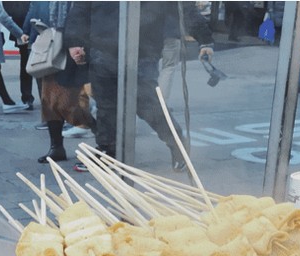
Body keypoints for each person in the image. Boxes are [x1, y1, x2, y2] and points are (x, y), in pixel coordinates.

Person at [64, 1, 214, 172]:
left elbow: (183, 6)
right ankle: (109, 151)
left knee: (148, 106)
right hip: (103, 50)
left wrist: (205, 40)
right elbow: (82, 7)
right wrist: (74, 41)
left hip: (142, 51)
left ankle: (178, 146)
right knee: (106, 107)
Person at [26, 1, 93, 164]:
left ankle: (106, 142)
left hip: (78, 45)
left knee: (71, 101)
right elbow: (36, 8)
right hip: (53, 44)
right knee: (49, 97)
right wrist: (31, 34)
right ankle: (56, 146)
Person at [3, 1, 35, 109]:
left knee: (28, 61)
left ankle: (28, 96)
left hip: (30, 22)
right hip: (22, 24)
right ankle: (27, 96)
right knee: (26, 61)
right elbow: (8, 6)